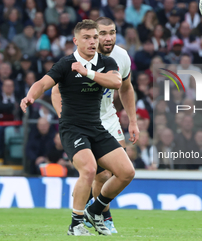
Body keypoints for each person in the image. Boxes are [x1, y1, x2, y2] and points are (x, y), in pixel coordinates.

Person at [20, 19, 135, 236]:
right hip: (73, 128)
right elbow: (43, 83)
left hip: (97, 127)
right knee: (90, 170)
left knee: (127, 172)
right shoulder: (65, 64)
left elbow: (116, 83)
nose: (93, 41)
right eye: (87, 37)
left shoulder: (107, 62)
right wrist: (30, 96)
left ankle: (96, 209)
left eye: (95, 37)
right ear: (76, 41)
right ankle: (76, 224)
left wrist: (86, 72)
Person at [51, 17, 139, 234]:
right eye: (103, 33)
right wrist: (66, 120)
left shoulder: (120, 57)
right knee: (99, 174)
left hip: (108, 118)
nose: (108, 38)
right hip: (81, 121)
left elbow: (125, 88)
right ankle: (101, 216)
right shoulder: (77, 59)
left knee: (119, 171)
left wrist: (133, 121)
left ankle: (96, 210)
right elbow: (54, 90)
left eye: (113, 32)